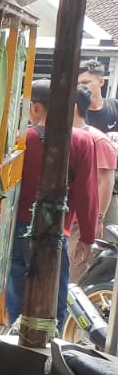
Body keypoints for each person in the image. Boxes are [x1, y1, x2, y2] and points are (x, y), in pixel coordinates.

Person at [6, 79, 102, 332]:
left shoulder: (21, 139)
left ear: (36, 108)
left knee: (16, 296)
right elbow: (87, 192)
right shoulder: (82, 141)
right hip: (56, 232)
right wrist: (88, 237)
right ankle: (51, 347)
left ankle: (18, 344)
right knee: (55, 302)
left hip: (18, 231)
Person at [72, 86, 116, 274]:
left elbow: (105, 181)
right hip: (67, 218)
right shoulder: (64, 136)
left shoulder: (97, 139)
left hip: (81, 221)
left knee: (75, 269)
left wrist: (97, 219)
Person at [80, 59, 118, 134]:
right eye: (77, 84)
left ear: (101, 82)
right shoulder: (74, 113)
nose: (80, 87)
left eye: (85, 82)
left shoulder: (115, 106)